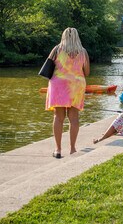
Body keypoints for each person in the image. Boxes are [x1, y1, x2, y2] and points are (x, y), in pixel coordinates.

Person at [45, 27, 90, 158]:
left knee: (58, 117)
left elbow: (47, 67)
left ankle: (58, 150)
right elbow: (86, 72)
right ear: (77, 37)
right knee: (74, 118)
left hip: (58, 85)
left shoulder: (57, 49)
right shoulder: (83, 52)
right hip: (76, 86)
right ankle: (72, 149)